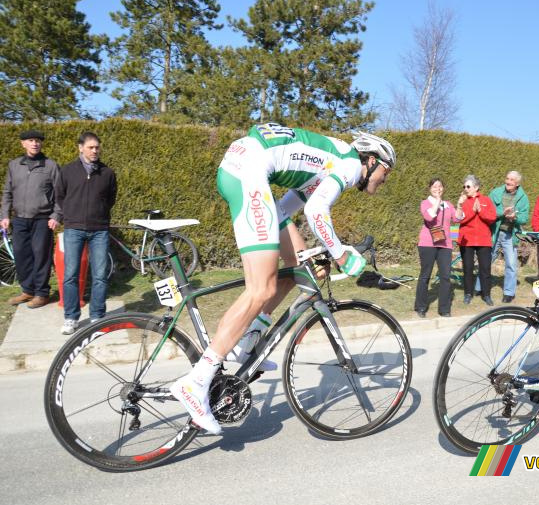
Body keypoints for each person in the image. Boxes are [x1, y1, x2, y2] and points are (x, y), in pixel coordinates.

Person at [170, 123, 396, 434]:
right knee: (260, 288)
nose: (386, 179)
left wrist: (325, 249)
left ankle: (247, 341)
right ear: (372, 161)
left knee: (297, 264)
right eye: (387, 171)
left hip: (245, 164)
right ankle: (197, 381)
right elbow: (317, 212)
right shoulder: (348, 166)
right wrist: (341, 254)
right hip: (248, 170)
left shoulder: (330, 159)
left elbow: (285, 208)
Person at [56, 132, 118, 335]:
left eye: (97, 147)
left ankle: (97, 316)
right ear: (80, 148)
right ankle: (71, 318)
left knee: (100, 275)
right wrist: (71, 215)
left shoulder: (107, 173)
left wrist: (98, 215)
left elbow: (110, 199)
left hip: (99, 230)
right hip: (73, 229)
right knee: (70, 275)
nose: (95, 150)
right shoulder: (67, 171)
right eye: (91, 147)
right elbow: (60, 196)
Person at [1, 129, 61, 308]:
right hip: (19, 219)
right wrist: (4, 214)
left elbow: (60, 194)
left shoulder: (50, 166)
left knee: (41, 256)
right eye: (31, 140)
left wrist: (56, 215)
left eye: (38, 141)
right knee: (21, 255)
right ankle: (27, 290)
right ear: (23, 143)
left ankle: (42, 293)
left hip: (42, 220)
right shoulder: (14, 165)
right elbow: (7, 193)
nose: (35, 143)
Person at [478, 171, 530, 303]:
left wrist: (515, 217)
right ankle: (479, 287)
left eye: (512, 180)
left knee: (511, 264)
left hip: (510, 235)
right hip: (494, 233)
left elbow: (524, 218)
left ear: (517, 183)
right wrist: (502, 213)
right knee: (486, 261)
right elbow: (487, 211)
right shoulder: (495, 193)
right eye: (507, 178)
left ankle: (508, 293)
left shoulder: (523, 198)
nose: (508, 181)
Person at [414, 178, 459, 317]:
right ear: (430, 189)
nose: (437, 188)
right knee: (425, 276)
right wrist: (438, 201)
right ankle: (420, 307)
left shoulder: (448, 205)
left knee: (446, 276)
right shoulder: (425, 203)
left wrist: (460, 206)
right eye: (434, 186)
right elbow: (429, 217)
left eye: (440, 186)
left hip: (445, 245)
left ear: (443, 188)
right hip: (428, 244)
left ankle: (444, 309)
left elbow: (457, 219)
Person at [455, 175, 496, 306]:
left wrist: (481, 210)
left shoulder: (486, 200)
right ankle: (468, 294)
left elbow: (492, 218)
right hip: (467, 240)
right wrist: (470, 210)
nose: (465, 189)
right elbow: (460, 219)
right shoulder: (463, 201)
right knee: (468, 268)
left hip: (483, 240)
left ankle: (486, 295)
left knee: (485, 268)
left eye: (468, 186)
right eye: (464, 186)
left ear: (476, 187)